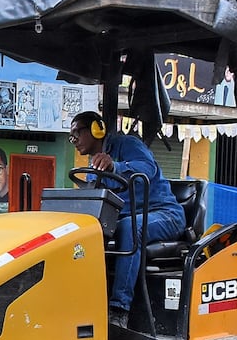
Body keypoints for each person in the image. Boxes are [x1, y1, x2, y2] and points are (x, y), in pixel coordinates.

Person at [69, 111, 185, 328]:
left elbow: (147, 168)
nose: (74, 140)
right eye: (71, 136)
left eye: (77, 132)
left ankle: (118, 309)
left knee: (129, 228)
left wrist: (116, 167)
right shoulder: (93, 170)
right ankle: (85, 301)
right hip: (128, 219)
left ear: (97, 129)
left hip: (164, 214)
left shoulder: (127, 145)